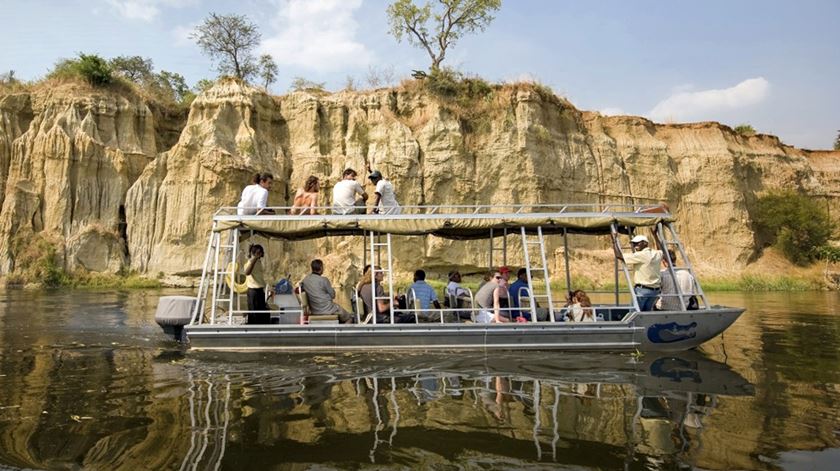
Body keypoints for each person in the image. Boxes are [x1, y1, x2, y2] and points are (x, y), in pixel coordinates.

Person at [612, 233, 662, 311]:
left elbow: (619, 255)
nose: (635, 245)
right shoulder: (656, 254)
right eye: (634, 243)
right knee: (646, 313)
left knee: (634, 313)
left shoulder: (641, 255)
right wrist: (655, 235)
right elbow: (660, 249)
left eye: (637, 243)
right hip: (655, 291)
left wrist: (614, 240)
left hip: (642, 291)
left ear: (645, 243)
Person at [300, 259, 352, 323]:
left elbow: (300, 287)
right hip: (329, 309)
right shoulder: (324, 280)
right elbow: (333, 295)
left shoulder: (305, 280)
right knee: (349, 318)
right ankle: (343, 332)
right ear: (321, 268)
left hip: (314, 311)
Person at [243, 244, 273, 324]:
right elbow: (247, 272)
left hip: (259, 290)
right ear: (257, 253)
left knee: (262, 312)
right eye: (261, 252)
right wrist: (254, 258)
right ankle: (253, 330)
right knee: (254, 313)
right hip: (253, 291)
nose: (263, 253)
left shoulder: (258, 261)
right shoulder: (251, 262)